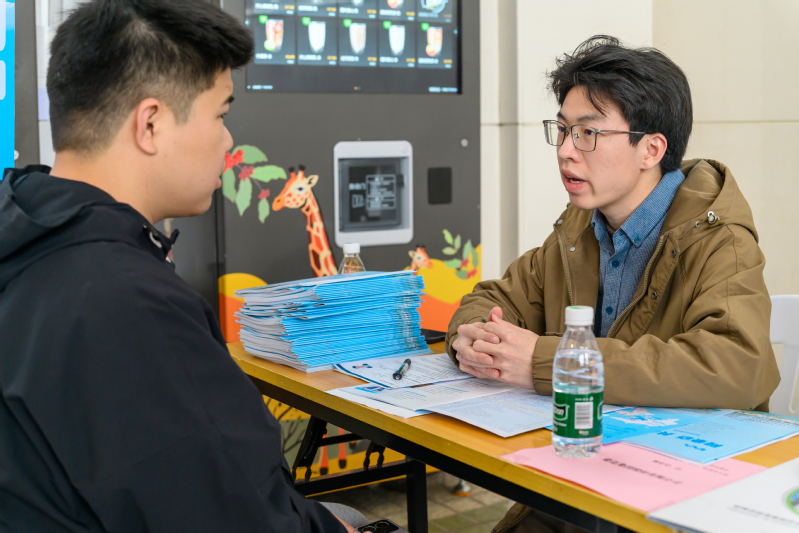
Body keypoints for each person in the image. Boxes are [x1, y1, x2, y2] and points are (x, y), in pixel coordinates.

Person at [0, 1, 366, 531]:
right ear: (150, 124)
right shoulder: (131, 305)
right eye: (220, 115)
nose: (228, 140)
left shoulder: (26, 235)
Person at [446, 36, 780, 533]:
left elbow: (737, 365)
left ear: (651, 149)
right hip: (589, 469)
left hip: (685, 489)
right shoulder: (579, 228)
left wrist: (547, 362)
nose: (565, 151)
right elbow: (495, 297)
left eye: (588, 133)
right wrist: (472, 336)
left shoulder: (719, 239)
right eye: (562, 130)